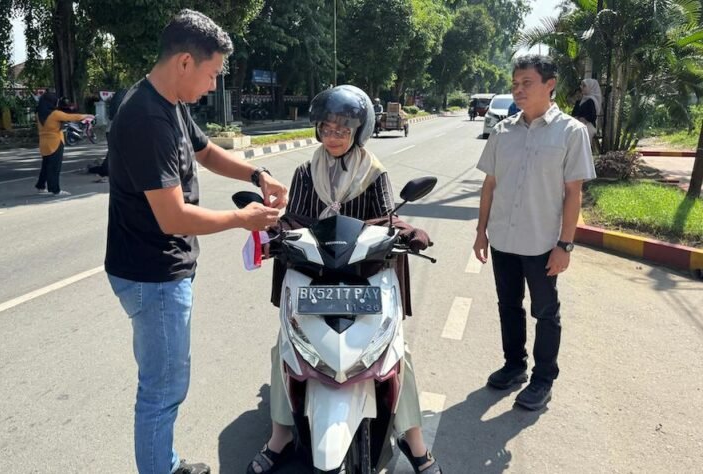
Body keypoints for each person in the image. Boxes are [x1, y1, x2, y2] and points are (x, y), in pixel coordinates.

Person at [104, 10, 288, 474]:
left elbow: (206, 152)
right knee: (162, 392)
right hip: (152, 273)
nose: (212, 85)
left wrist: (256, 172)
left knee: (165, 385)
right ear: (185, 62)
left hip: (157, 269)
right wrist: (242, 218)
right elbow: (172, 217)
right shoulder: (146, 117)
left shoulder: (169, 102)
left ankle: (164, 463)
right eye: (212, 74)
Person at [247, 85, 442, 474]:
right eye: (327, 127)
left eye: (343, 128)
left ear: (359, 132)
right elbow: (295, 218)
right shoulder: (305, 172)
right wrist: (270, 234)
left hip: (363, 277)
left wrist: (406, 231)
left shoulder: (374, 173)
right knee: (286, 347)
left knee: (394, 354)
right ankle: (281, 435)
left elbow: (388, 217)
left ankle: (414, 441)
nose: (333, 135)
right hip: (313, 275)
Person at [473, 55, 596, 411]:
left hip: (542, 243)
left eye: (526, 82)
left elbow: (574, 193)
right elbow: (490, 184)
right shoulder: (502, 131)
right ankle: (514, 367)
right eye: (515, 83)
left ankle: (543, 379)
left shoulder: (570, 132)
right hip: (503, 239)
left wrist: (565, 244)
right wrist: (481, 232)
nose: (518, 89)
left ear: (549, 84)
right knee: (508, 305)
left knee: (545, 312)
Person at [35, 91, 93, 196]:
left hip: (44, 143)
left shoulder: (39, 114)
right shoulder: (55, 114)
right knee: (54, 167)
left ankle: (41, 186)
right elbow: (70, 117)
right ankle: (55, 189)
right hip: (55, 143)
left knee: (46, 166)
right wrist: (86, 116)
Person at [571, 78, 602, 147]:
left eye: (584, 86)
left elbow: (593, 116)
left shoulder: (591, 101)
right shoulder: (580, 101)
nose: (581, 87)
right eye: (581, 85)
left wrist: (584, 119)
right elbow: (573, 114)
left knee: (580, 132)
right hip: (577, 124)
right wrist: (576, 118)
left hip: (588, 125)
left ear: (590, 88)